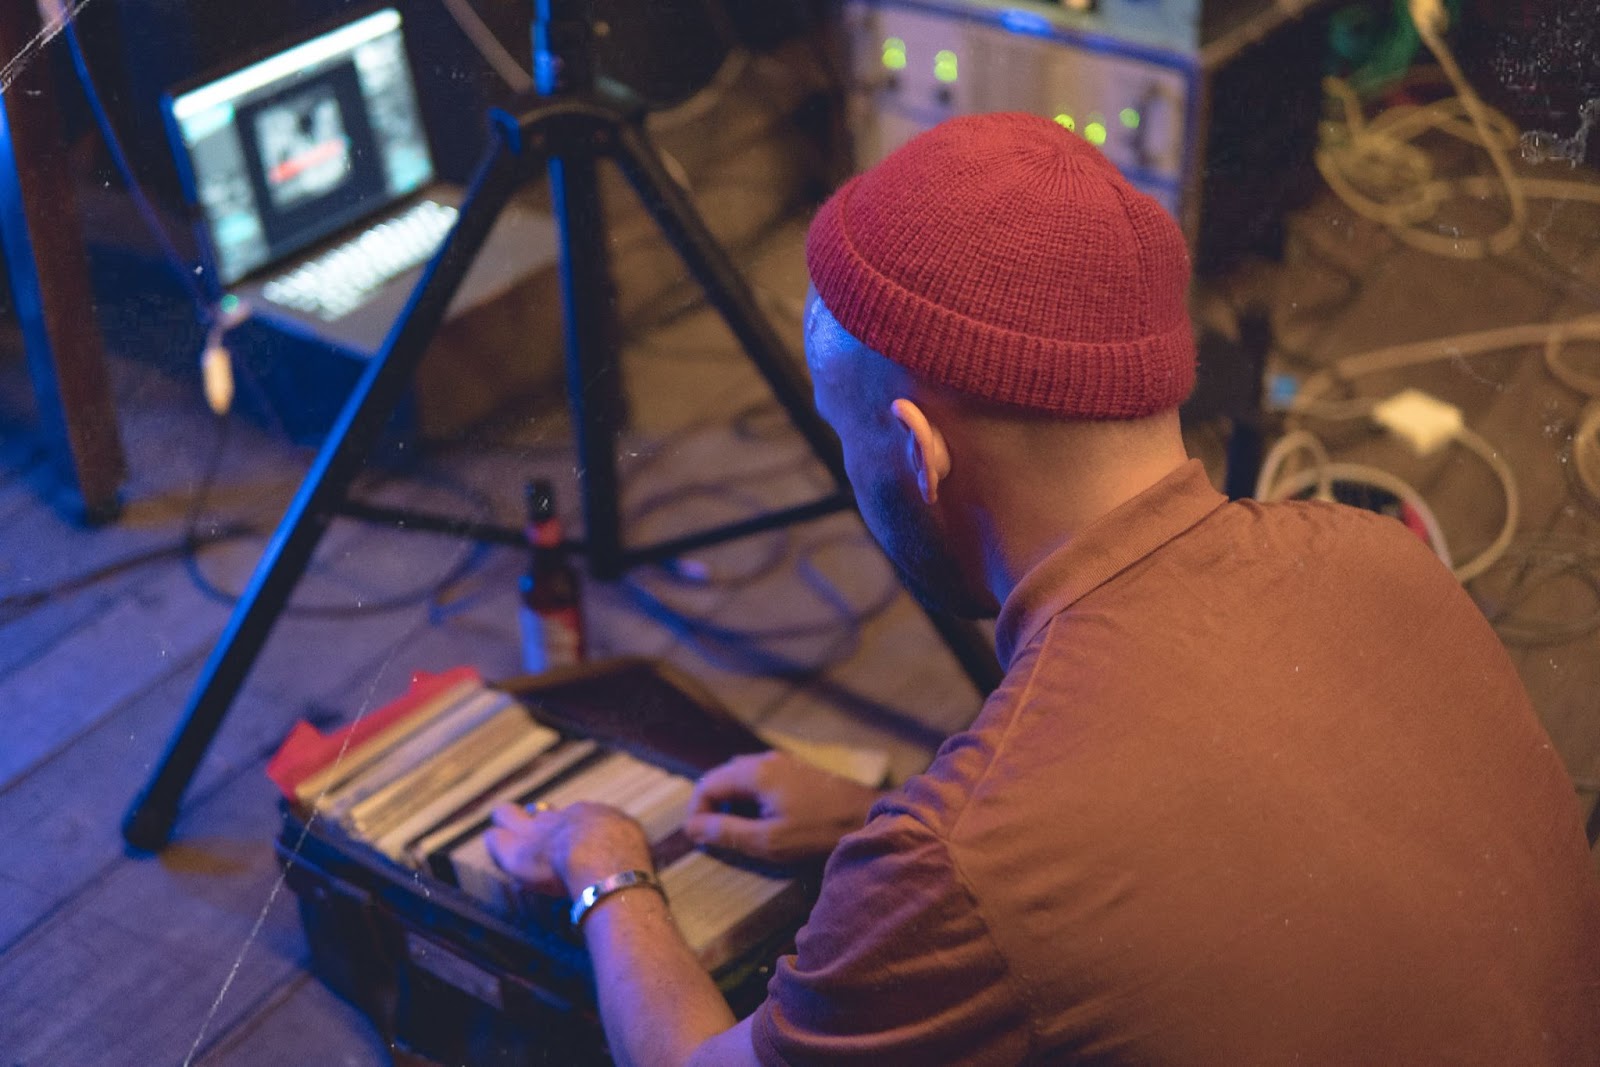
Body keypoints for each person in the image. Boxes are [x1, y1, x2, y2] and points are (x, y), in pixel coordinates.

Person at [485, 112, 1600, 1065]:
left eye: (844, 440)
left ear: (917, 456)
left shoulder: (960, 859)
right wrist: (867, 830)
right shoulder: (1381, 557)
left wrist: (606, 868)